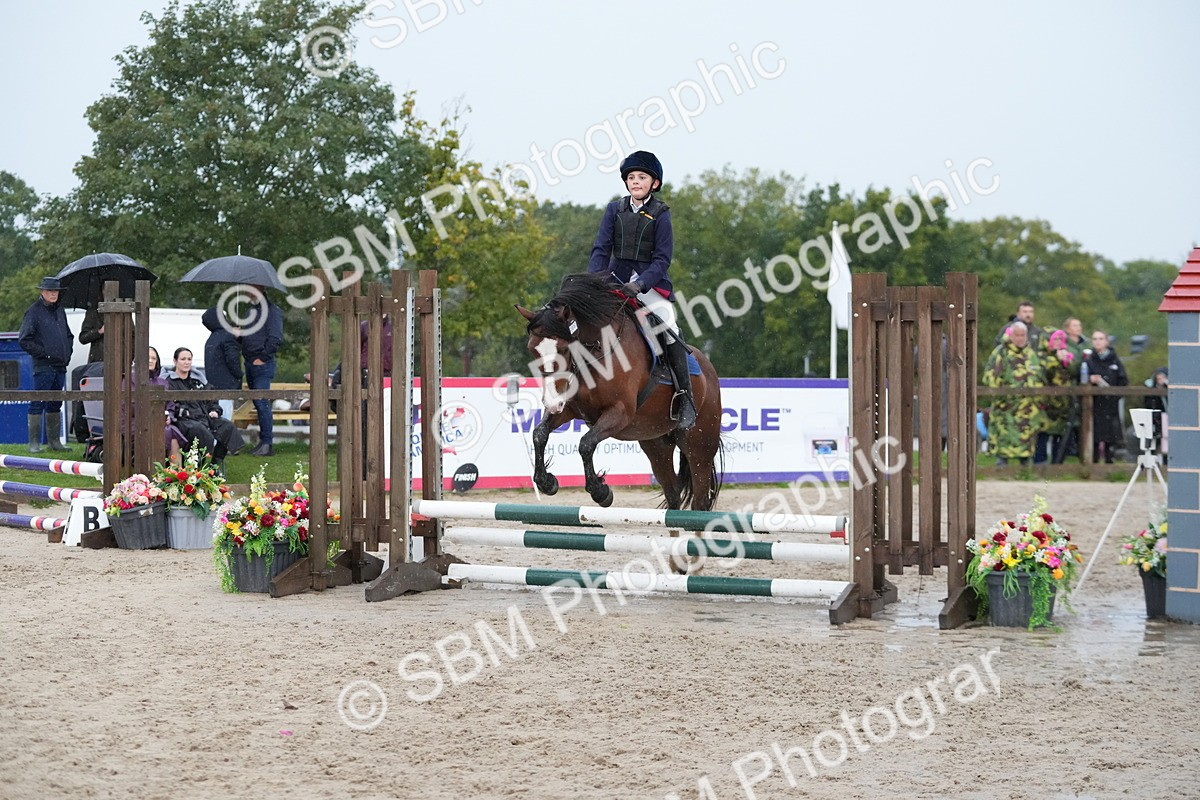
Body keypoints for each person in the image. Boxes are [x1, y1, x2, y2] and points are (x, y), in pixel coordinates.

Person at [587, 150, 695, 429]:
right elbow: (601, 249)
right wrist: (594, 281)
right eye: (631, 178)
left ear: (654, 183)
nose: (635, 182)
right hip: (613, 279)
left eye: (642, 177)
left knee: (669, 324)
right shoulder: (614, 209)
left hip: (649, 284)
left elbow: (662, 260)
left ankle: (685, 398)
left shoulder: (661, 214)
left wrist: (641, 283)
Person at [166, 347, 245, 469]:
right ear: (175, 361)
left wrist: (214, 410)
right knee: (200, 431)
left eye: (189, 359)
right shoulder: (169, 382)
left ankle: (214, 465)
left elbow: (211, 398)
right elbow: (170, 405)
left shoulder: (199, 380)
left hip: (204, 417)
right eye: (183, 359)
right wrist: (183, 412)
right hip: (183, 421)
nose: (186, 362)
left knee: (226, 427)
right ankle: (198, 469)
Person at [18, 277, 73, 453]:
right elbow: (24, 340)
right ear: (42, 291)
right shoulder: (33, 312)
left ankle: (54, 442)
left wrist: (68, 353)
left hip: (60, 366)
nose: (53, 294)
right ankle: (33, 444)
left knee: (55, 403)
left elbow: (69, 335)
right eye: (50, 291)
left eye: (56, 291)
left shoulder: (60, 311)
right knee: (38, 402)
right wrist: (45, 354)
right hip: (43, 366)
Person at [982, 322, 1046, 466]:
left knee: (1026, 441)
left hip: (1028, 410)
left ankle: (1025, 470)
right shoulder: (1001, 352)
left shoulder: (1031, 354)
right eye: (1017, 335)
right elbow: (990, 377)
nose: (1020, 338)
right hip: (1006, 408)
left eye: (1023, 335)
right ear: (1011, 335)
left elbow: (1039, 376)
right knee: (1004, 438)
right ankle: (1001, 467)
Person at [239, 287, 283, 456]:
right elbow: (251, 336)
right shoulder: (251, 311)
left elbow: (275, 338)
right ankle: (263, 442)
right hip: (250, 362)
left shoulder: (272, 311)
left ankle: (267, 444)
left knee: (262, 403)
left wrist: (262, 358)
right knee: (258, 404)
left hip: (261, 364)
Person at [1084, 330, 1128, 464]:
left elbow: (1123, 380)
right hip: (1094, 404)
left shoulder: (1114, 359)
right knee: (1094, 435)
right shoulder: (1089, 360)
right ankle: (1094, 463)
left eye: (1101, 338)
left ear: (1106, 341)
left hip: (1110, 404)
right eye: (1095, 339)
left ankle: (1110, 462)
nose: (1098, 341)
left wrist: (1115, 395)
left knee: (1111, 435)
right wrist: (1089, 379)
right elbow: (1080, 378)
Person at [1036, 329, 1074, 464]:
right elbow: (1045, 374)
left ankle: (1057, 466)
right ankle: (1039, 465)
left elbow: (1073, 375)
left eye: (1060, 339)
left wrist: (1067, 362)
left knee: (1059, 435)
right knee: (1043, 435)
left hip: (1062, 405)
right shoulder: (1041, 357)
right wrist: (1056, 360)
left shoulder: (1067, 356)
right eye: (1055, 339)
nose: (1058, 343)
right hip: (1045, 405)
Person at [148, 346, 188, 466]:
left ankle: (175, 476)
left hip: (162, 424)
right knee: (166, 433)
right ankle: (154, 474)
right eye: (147, 358)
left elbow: (170, 405)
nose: (150, 361)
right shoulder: (131, 380)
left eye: (153, 358)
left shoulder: (163, 382)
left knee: (173, 433)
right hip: (137, 424)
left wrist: (169, 416)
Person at [202, 306, 243, 420]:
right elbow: (232, 359)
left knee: (216, 419)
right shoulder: (227, 336)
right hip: (226, 386)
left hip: (213, 386)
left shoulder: (211, 339)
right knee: (225, 420)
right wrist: (239, 374)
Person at [1144, 366, 1168, 462]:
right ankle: (1151, 459)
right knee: (1155, 439)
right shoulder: (1150, 387)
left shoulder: (1169, 387)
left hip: (1167, 417)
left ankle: (1166, 461)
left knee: (1166, 441)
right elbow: (1148, 403)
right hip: (1155, 417)